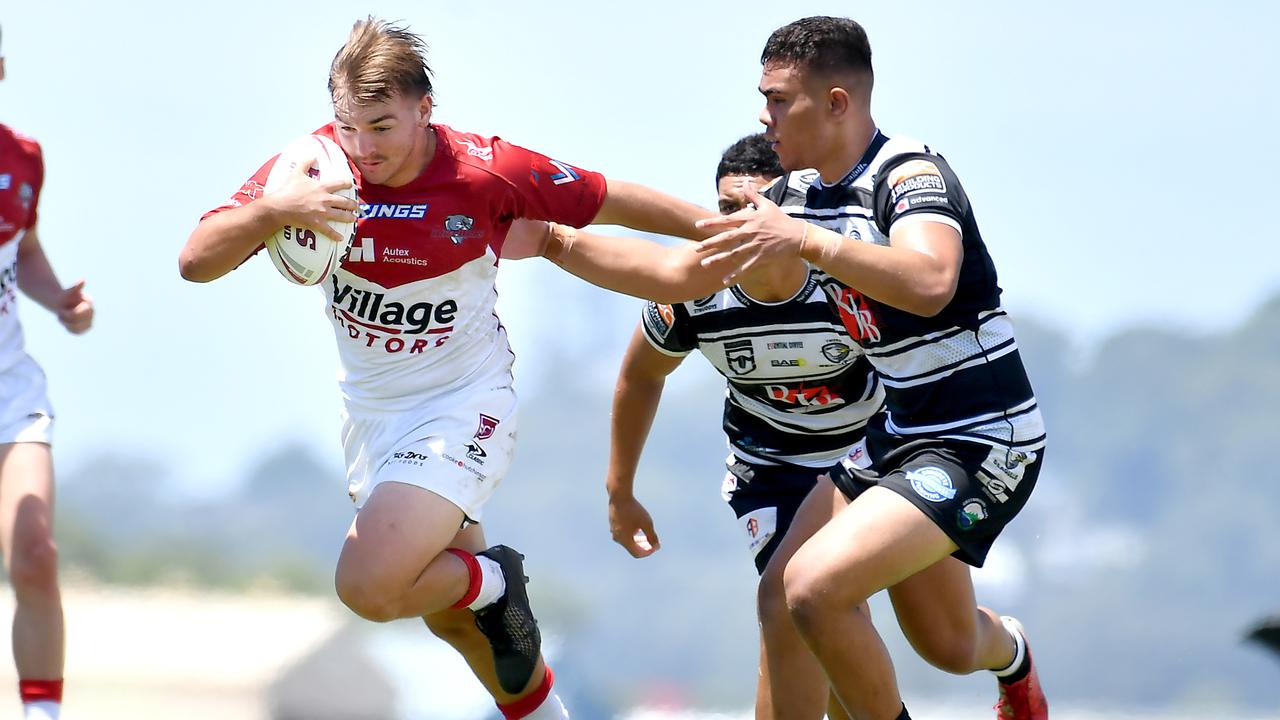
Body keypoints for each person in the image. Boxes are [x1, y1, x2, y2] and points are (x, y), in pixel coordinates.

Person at [179, 17, 713, 720]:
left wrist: (723, 228)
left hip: (463, 408)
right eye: (348, 127)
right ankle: (494, 611)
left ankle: (492, 579)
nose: (363, 149)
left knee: (369, 588)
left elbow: (604, 196)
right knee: (463, 629)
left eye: (381, 126)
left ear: (424, 110)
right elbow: (196, 260)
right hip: (371, 421)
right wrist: (274, 210)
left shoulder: (485, 169)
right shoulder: (308, 170)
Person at [693, 16, 1049, 720]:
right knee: (906, 631)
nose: (763, 117)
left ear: (836, 104)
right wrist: (556, 233)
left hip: (982, 440)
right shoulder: (799, 195)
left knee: (818, 591)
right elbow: (678, 258)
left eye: (777, 99)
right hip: (897, 438)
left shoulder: (909, 174)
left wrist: (805, 240)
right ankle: (1015, 657)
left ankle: (984, 671)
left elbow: (929, 280)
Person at [603, 133, 881, 720]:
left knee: (951, 644)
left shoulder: (845, 276)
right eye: (726, 209)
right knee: (790, 606)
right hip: (770, 471)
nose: (737, 226)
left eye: (756, 209)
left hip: (870, 458)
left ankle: (1008, 657)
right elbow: (640, 377)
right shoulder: (693, 291)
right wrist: (620, 490)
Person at [0, 24, 96, 720]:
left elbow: (23, 251)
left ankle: (43, 715)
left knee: (34, 552)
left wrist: (60, 298)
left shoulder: (23, 157)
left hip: (11, 389)